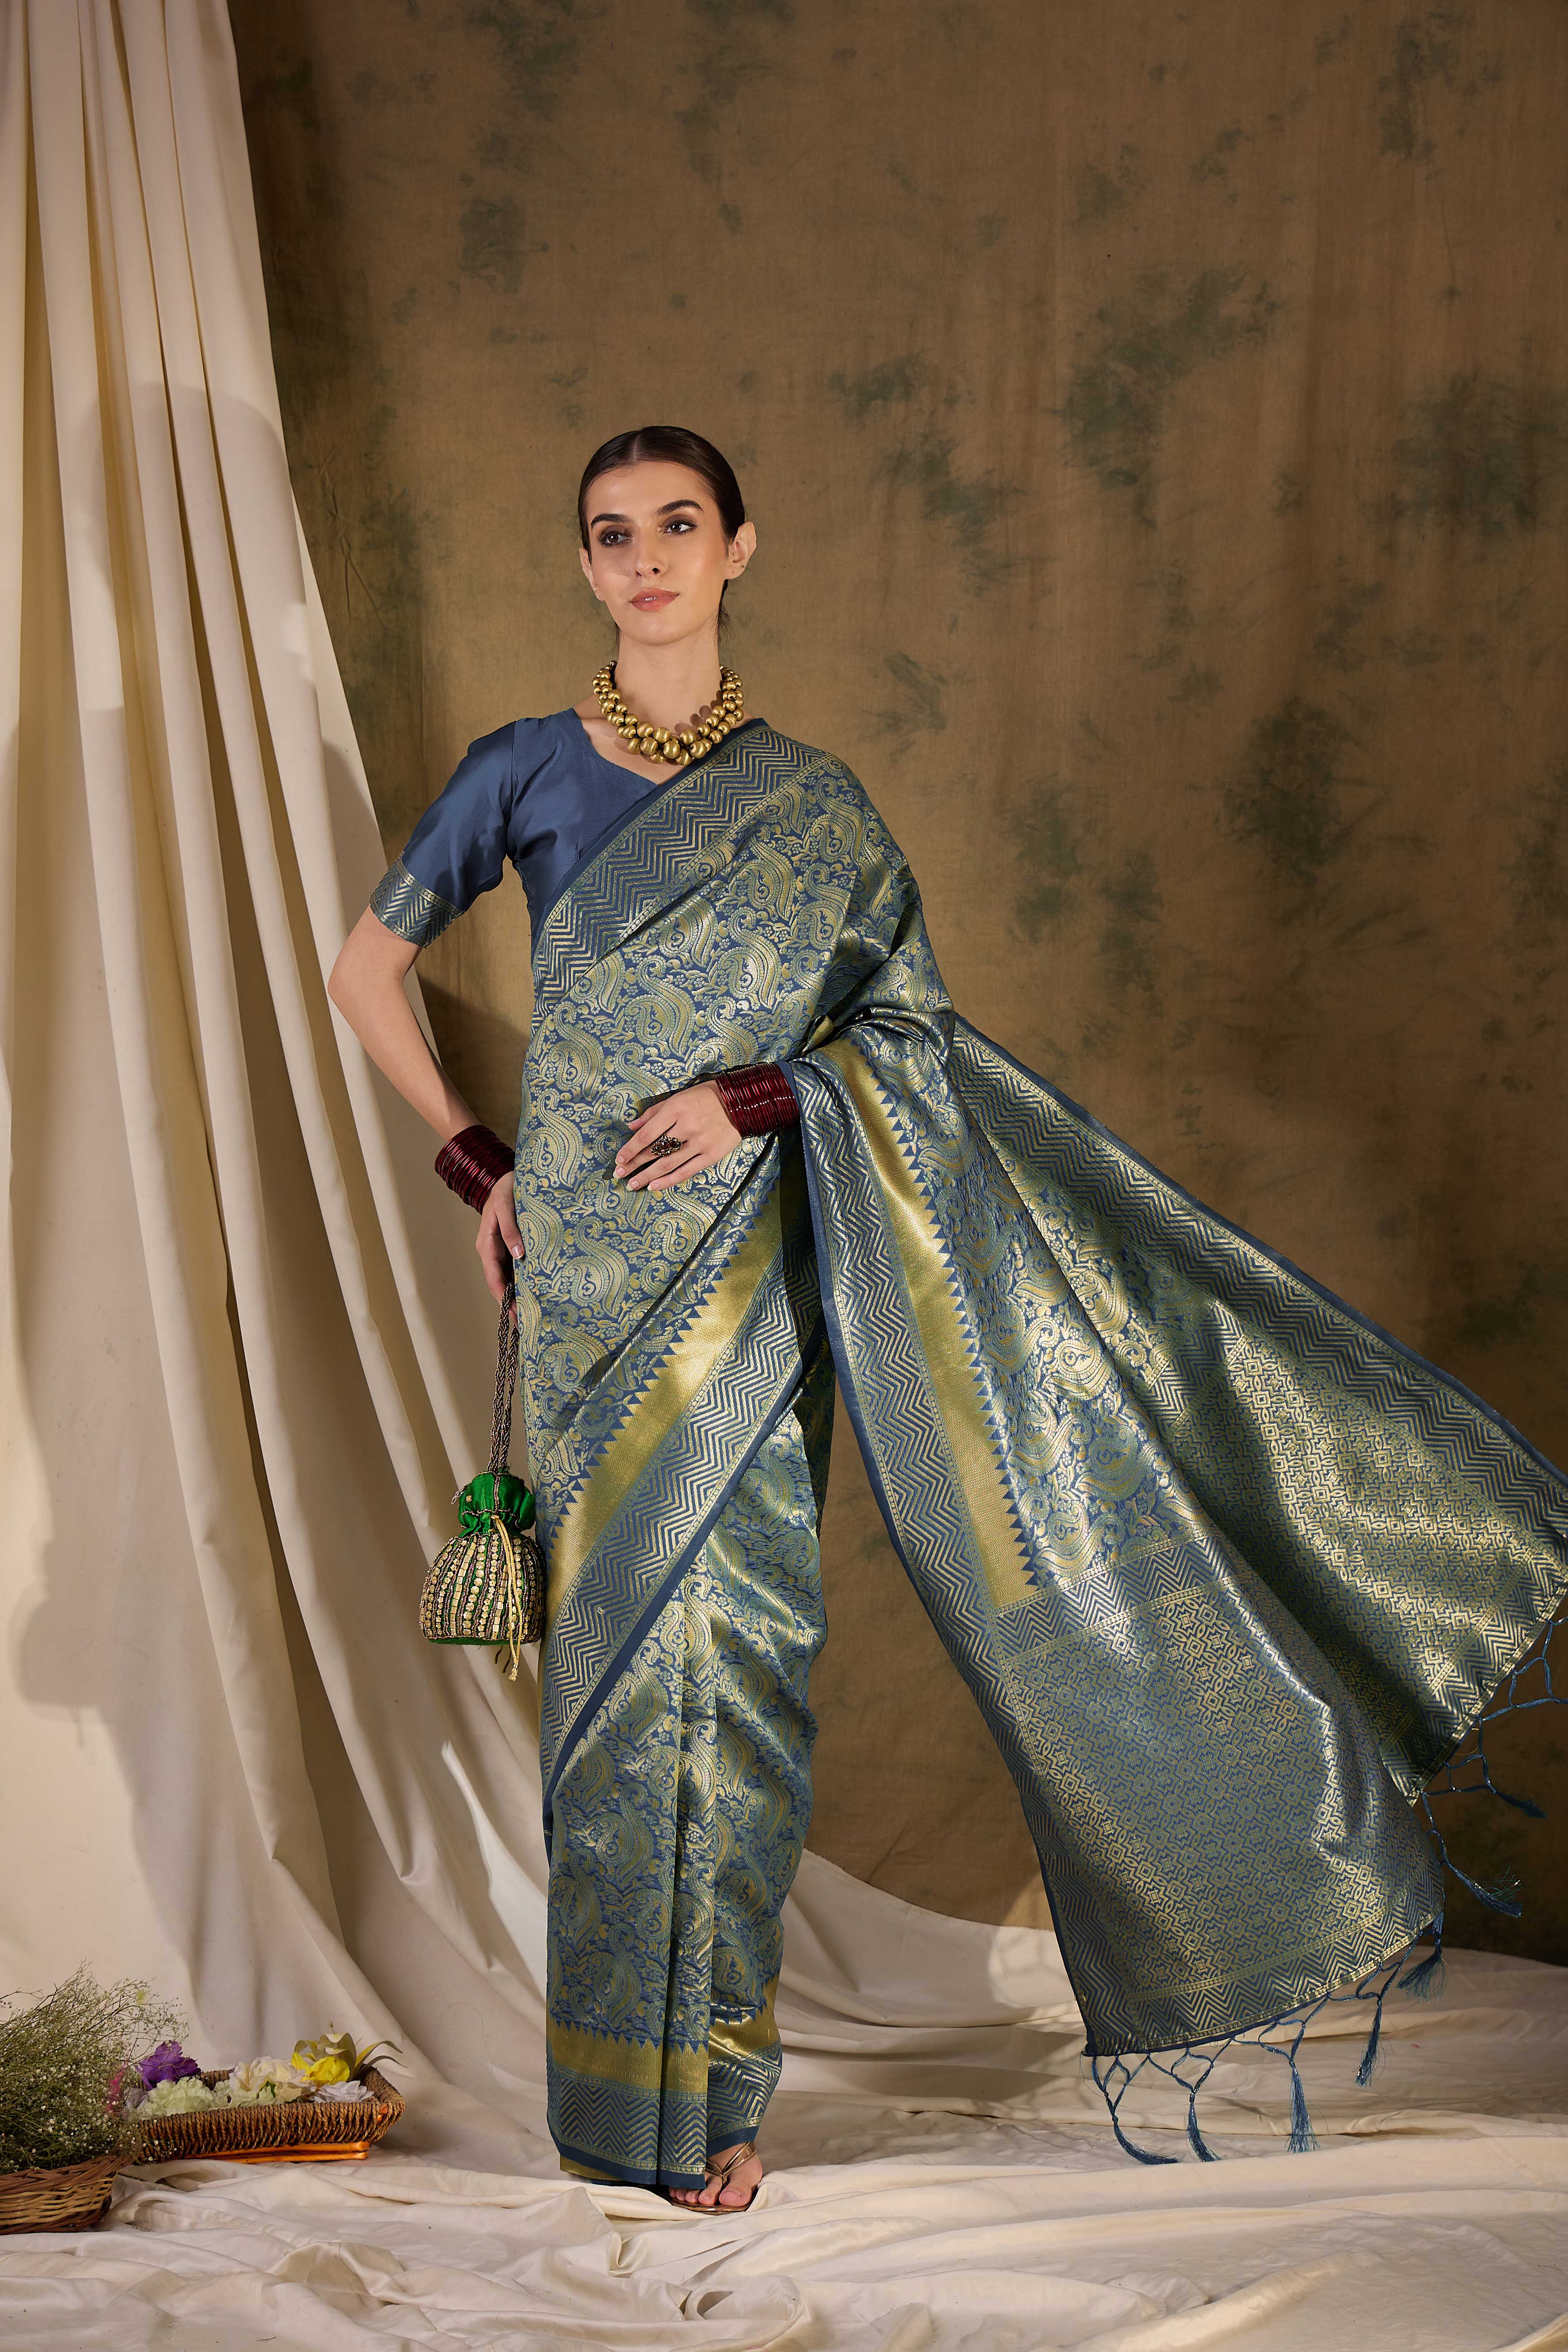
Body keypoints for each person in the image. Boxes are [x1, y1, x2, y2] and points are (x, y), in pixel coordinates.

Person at [328, 424, 1568, 2209]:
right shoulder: (518, 766)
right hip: (590, 1283)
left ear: (740, 545)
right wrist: (475, 1161)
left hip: (751, 1273)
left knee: (739, 1673)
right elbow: (364, 965)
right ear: (585, 563)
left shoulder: (815, 805)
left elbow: (906, 1037)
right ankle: (617, 2110)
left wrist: (759, 1095)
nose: (646, 559)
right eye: (611, 534)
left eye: (678, 524)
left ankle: (720, 2104)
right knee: (611, 1697)